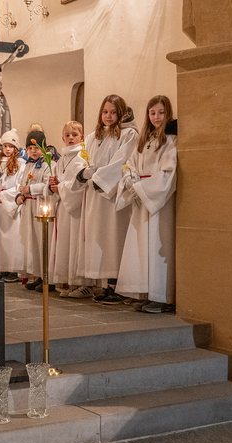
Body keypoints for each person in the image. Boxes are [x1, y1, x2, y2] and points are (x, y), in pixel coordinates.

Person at [115, 96, 177, 313]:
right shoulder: (144, 139)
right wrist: (130, 180)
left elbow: (169, 172)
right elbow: (130, 164)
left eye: (161, 112)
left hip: (158, 203)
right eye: (152, 113)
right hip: (141, 197)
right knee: (141, 248)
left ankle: (161, 297)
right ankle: (145, 292)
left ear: (168, 113)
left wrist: (143, 187)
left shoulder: (171, 140)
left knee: (157, 246)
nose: (156, 117)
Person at [75, 94, 139, 304]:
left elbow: (122, 161)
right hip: (94, 196)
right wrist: (83, 173)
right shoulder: (92, 137)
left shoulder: (128, 134)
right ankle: (106, 285)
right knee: (100, 239)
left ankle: (118, 286)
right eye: (105, 112)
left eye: (113, 112)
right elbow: (82, 159)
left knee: (114, 238)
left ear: (120, 113)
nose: (108, 116)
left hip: (113, 195)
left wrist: (99, 179)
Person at [49, 121, 91, 298]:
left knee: (76, 243)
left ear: (82, 137)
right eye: (67, 135)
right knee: (65, 243)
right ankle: (69, 281)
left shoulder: (83, 157)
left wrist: (61, 187)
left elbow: (81, 183)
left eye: (74, 135)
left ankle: (83, 284)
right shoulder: (63, 159)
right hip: (64, 206)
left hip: (76, 208)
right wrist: (54, 185)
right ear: (62, 138)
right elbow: (61, 180)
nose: (71, 138)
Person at [0, 129, 25, 281]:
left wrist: (3, 194)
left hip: (11, 205)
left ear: (16, 148)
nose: (7, 149)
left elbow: (20, 185)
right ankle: (2, 267)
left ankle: (13, 269)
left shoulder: (20, 164)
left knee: (12, 238)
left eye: (11, 146)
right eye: (5, 146)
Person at [15, 130, 52, 291]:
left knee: (43, 241)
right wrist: (20, 195)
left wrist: (30, 189)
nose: (33, 151)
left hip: (40, 205)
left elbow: (47, 185)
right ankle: (39, 275)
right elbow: (22, 183)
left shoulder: (48, 164)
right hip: (28, 206)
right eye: (30, 148)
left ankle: (48, 277)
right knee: (32, 244)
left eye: (36, 148)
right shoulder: (28, 165)